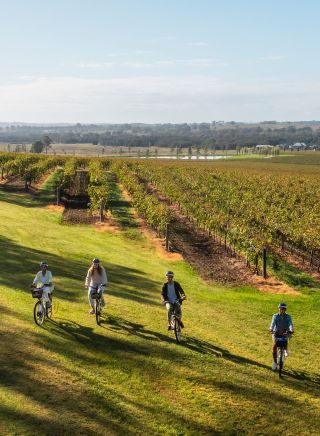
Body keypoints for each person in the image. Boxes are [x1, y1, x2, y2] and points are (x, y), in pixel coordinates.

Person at [269, 302, 294, 371]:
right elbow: (272, 323)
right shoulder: (275, 316)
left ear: (285, 310)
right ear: (278, 309)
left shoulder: (288, 316)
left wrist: (291, 330)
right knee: (274, 348)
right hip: (276, 333)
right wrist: (271, 329)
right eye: (280, 309)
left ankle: (285, 349)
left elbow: (290, 324)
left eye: (283, 309)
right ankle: (275, 362)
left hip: (285, 333)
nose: (281, 310)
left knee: (286, 339)